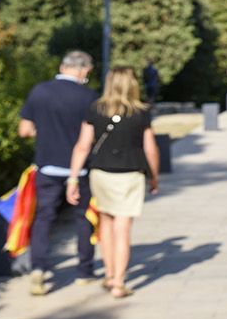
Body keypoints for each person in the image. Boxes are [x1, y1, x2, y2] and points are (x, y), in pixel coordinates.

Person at [66, 67, 159, 299]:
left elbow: (82, 145)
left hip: (101, 172)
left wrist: (73, 178)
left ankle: (109, 273)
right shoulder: (141, 112)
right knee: (123, 227)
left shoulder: (96, 109)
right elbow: (150, 148)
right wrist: (154, 176)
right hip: (131, 173)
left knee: (105, 222)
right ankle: (119, 281)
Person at [16, 50, 99, 295]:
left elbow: (24, 130)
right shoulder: (89, 97)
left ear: (63, 67)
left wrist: (45, 134)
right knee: (83, 217)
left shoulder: (39, 92)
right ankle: (84, 271)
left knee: (44, 217)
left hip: (47, 164)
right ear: (83, 70)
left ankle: (38, 267)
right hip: (80, 168)